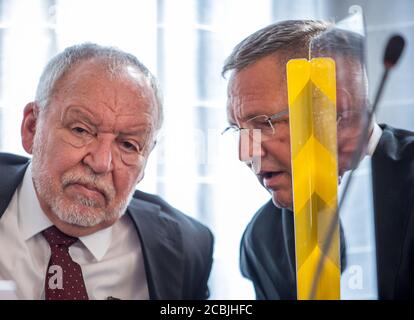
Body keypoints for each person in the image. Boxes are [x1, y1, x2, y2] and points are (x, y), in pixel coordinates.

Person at [0, 43, 214, 300]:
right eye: (81, 130)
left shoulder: (186, 246)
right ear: (32, 128)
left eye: (128, 145)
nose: (101, 163)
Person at [222, 20, 414, 299]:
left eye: (263, 124)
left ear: (338, 109)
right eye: (238, 129)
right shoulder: (261, 239)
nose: (245, 153)